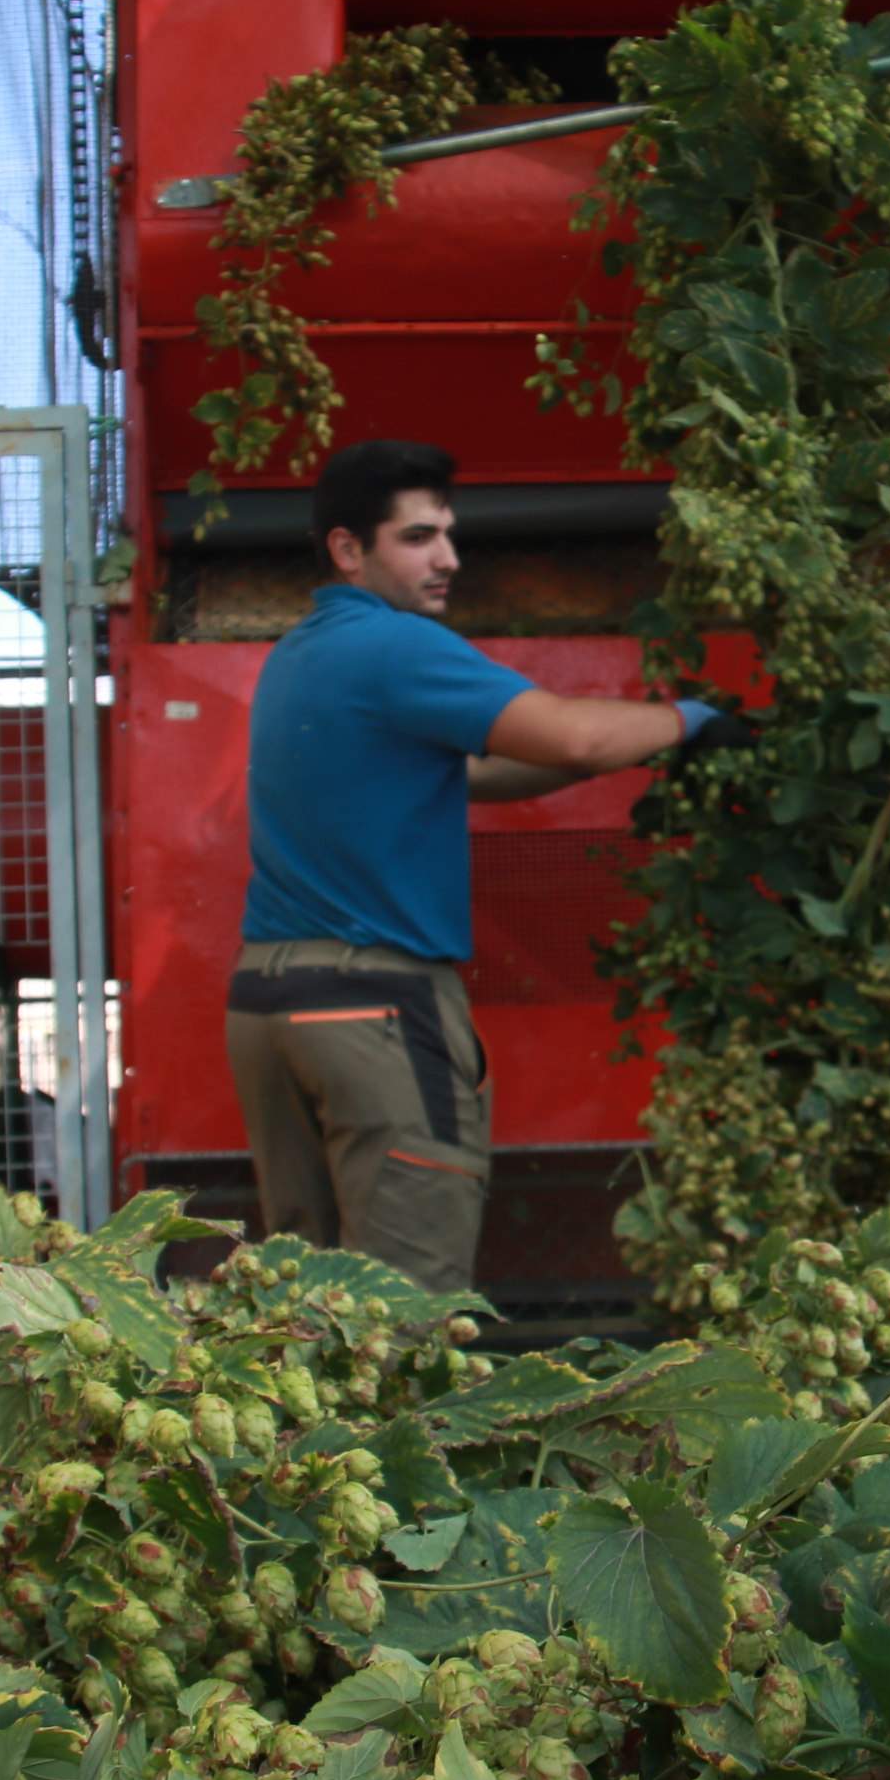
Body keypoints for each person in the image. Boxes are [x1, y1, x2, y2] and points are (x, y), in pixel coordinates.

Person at [233, 438, 751, 1292]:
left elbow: (476, 770)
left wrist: (615, 756)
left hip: (267, 1004)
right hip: (374, 1008)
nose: (450, 559)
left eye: (449, 535)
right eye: (420, 537)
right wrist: (690, 719)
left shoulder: (299, 656)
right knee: (406, 1303)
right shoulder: (395, 646)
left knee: (304, 1301)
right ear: (348, 549)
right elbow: (572, 730)